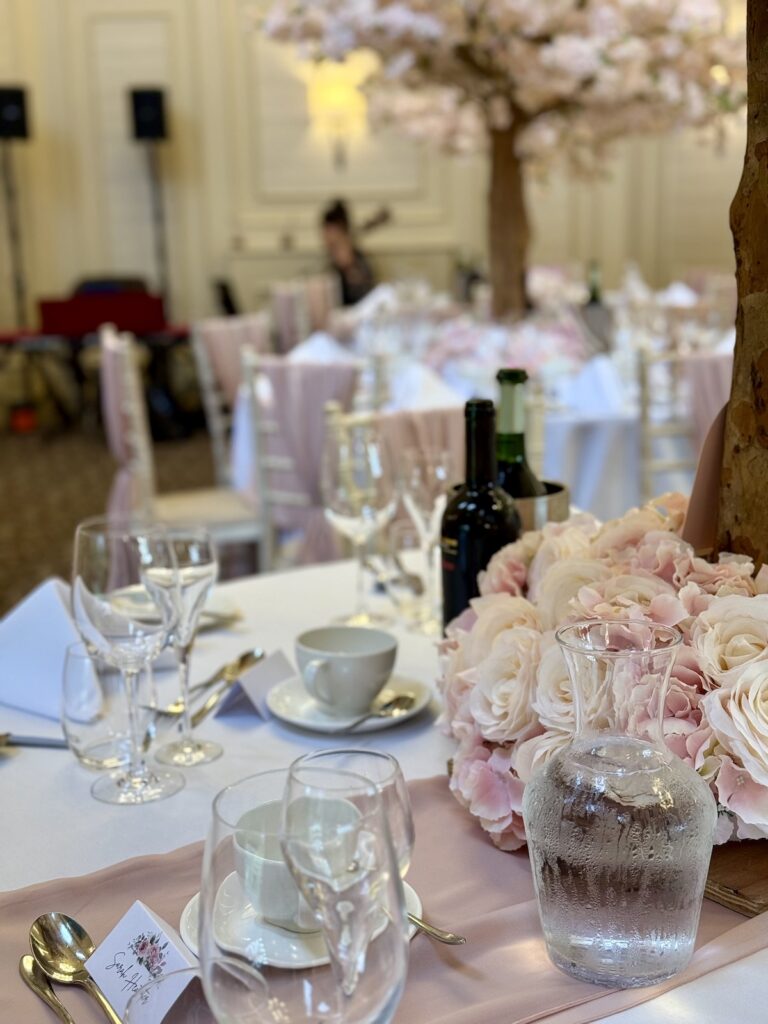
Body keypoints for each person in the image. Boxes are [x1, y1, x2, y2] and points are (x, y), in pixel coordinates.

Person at [320, 199, 376, 306]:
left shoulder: (359, 261)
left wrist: (349, 268)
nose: (326, 238)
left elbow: (367, 297)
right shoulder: (330, 261)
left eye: (329, 230)